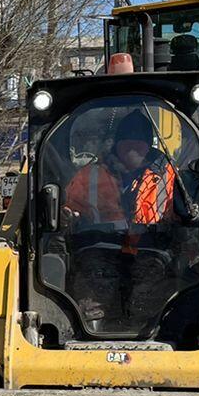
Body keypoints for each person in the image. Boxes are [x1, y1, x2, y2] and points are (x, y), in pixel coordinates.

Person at [64, 114, 181, 327]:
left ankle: (144, 335)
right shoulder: (91, 174)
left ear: (149, 146)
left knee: (146, 296)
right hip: (100, 248)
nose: (132, 150)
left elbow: (185, 215)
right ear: (117, 145)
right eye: (126, 143)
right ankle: (91, 336)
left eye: (139, 143)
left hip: (151, 250)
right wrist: (67, 216)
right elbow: (70, 207)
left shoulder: (168, 175)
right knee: (94, 287)